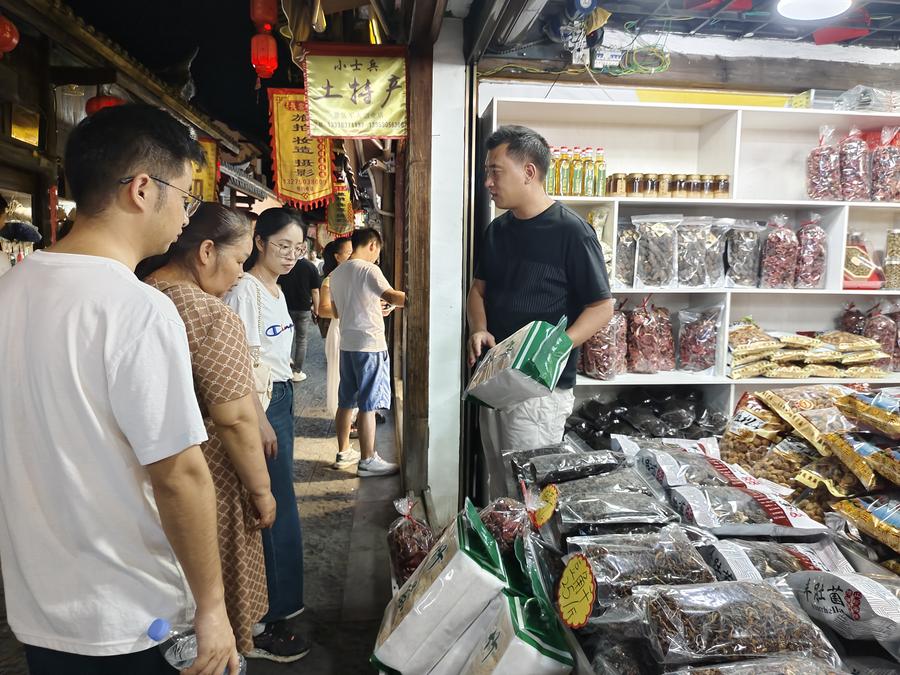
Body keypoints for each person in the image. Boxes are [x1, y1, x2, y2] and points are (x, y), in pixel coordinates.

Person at [0, 104, 239, 675]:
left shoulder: (9, 291)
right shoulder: (136, 309)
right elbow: (179, 475)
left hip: (38, 608)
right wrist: (212, 607)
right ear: (142, 189)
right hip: (132, 616)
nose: (185, 215)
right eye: (185, 196)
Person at [137, 203, 286, 659]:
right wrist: (262, 490)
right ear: (205, 251)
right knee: (212, 601)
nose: (241, 274)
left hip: (144, 479)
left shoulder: (141, 293)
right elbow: (235, 419)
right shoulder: (209, 314)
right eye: (239, 260)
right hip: (209, 479)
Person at [468, 125, 614, 500]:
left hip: (539, 390)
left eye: (495, 171)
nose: (488, 182)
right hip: (495, 380)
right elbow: (478, 290)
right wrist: (479, 328)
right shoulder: (497, 231)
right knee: (497, 484)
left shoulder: (573, 232)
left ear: (529, 172)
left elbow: (601, 307)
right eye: (487, 172)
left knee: (528, 493)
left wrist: (555, 346)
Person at [224, 208, 308, 659]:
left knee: (282, 502)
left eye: (298, 248)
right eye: (283, 246)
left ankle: (279, 606)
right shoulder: (245, 291)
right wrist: (258, 418)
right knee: (268, 506)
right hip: (263, 403)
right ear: (259, 242)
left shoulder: (277, 288)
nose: (291, 255)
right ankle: (262, 619)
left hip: (281, 396)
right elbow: (239, 365)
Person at [329, 228, 405, 477]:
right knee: (368, 405)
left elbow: (338, 312)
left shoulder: (336, 274)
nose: (376, 257)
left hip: (348, 345)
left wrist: (377, 307)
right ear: (373, 245)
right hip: (370, 345)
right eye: (377, 252)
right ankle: (368, 459)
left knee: (346, 402)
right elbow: (392, 295)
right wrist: (417, 297)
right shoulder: (369, 269)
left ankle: (343, 452)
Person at [316, 238, 356, 466]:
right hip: (339, 331)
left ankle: (352, 420)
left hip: (352, 329)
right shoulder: (331, 279)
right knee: (342, 377)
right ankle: (346, 422)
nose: (352, 255)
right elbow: (322, 309)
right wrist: (351, 309)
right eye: (348, 252)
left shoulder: (353, 276)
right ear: (337, 257)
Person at [278, 239, 321, 383]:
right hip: (304, 309)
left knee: (285, 337)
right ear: (305, 250)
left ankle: (285, 365)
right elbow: (315, 291)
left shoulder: (286, 265)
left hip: (286, 308)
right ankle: (297, 371)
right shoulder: (310, 267)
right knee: (301, 340)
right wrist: (316, 309)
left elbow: (278, 286)